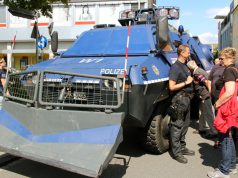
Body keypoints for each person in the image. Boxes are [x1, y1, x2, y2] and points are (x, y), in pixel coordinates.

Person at [207, 47, 238, 178]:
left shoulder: (229, 70)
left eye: (222, 58)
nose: (220, 60)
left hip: (226, 109)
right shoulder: (234, 69)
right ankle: (230, 165)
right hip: (231, 109)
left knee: (226, 139)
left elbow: (230, 92)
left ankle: (224, 171)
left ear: (229, 57)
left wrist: (218, 103)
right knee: (230, 138)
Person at [168, 44, 195, 164]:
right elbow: (171, 87)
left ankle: (182, 147)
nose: (189, 54)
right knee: (177, 126)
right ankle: (176, 153)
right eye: (188, 52)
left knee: (185, 125)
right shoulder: (175, 67)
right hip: (179, 100)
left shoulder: (184, 66)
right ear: (182, 53)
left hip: (187, 99)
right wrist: (186, 82)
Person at [187, 60, 217, 138]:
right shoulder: (198, 70)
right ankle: (202, 128)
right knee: (202, 112)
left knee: (208, 113)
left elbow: (206, 82)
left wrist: (209, 93)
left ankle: (214, 131)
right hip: (202, 95)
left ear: (190, 67)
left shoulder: (197, 73)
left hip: (205, 95)